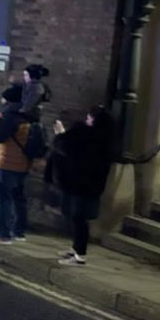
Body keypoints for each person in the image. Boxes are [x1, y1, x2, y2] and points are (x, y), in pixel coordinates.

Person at [49, 106, 115, 266]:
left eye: (89, 117)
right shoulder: (104, 138)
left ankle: (80, 255)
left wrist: (60, 134)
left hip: (80, 183)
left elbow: (67, 149)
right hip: (89, 184)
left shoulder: (86, 136)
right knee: (77, 217)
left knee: (79, 218)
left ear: (94, 120)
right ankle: (76, 248)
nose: (86, 120)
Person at [0, 84, 30, 244]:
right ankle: (18, 231)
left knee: (2, 199)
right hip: (21, 164)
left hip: (6, 164)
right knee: (18, 198)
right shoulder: (27, 114)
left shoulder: (10, 115)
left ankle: (3, 233)